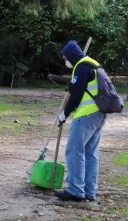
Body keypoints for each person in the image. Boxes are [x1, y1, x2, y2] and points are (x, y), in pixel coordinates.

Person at [55, 40, 107, 202]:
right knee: (91, 153)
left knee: (74, 150)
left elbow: (76, 97)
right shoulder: (92, 63)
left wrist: (64, 114)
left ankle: (75, 190)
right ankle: (89, 191)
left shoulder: (81, 67)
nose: (65, 61)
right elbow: (81, 88)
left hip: (86, 115)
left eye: (65, 58)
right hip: (99, 113)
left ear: (70, 55)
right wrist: (73, 85)